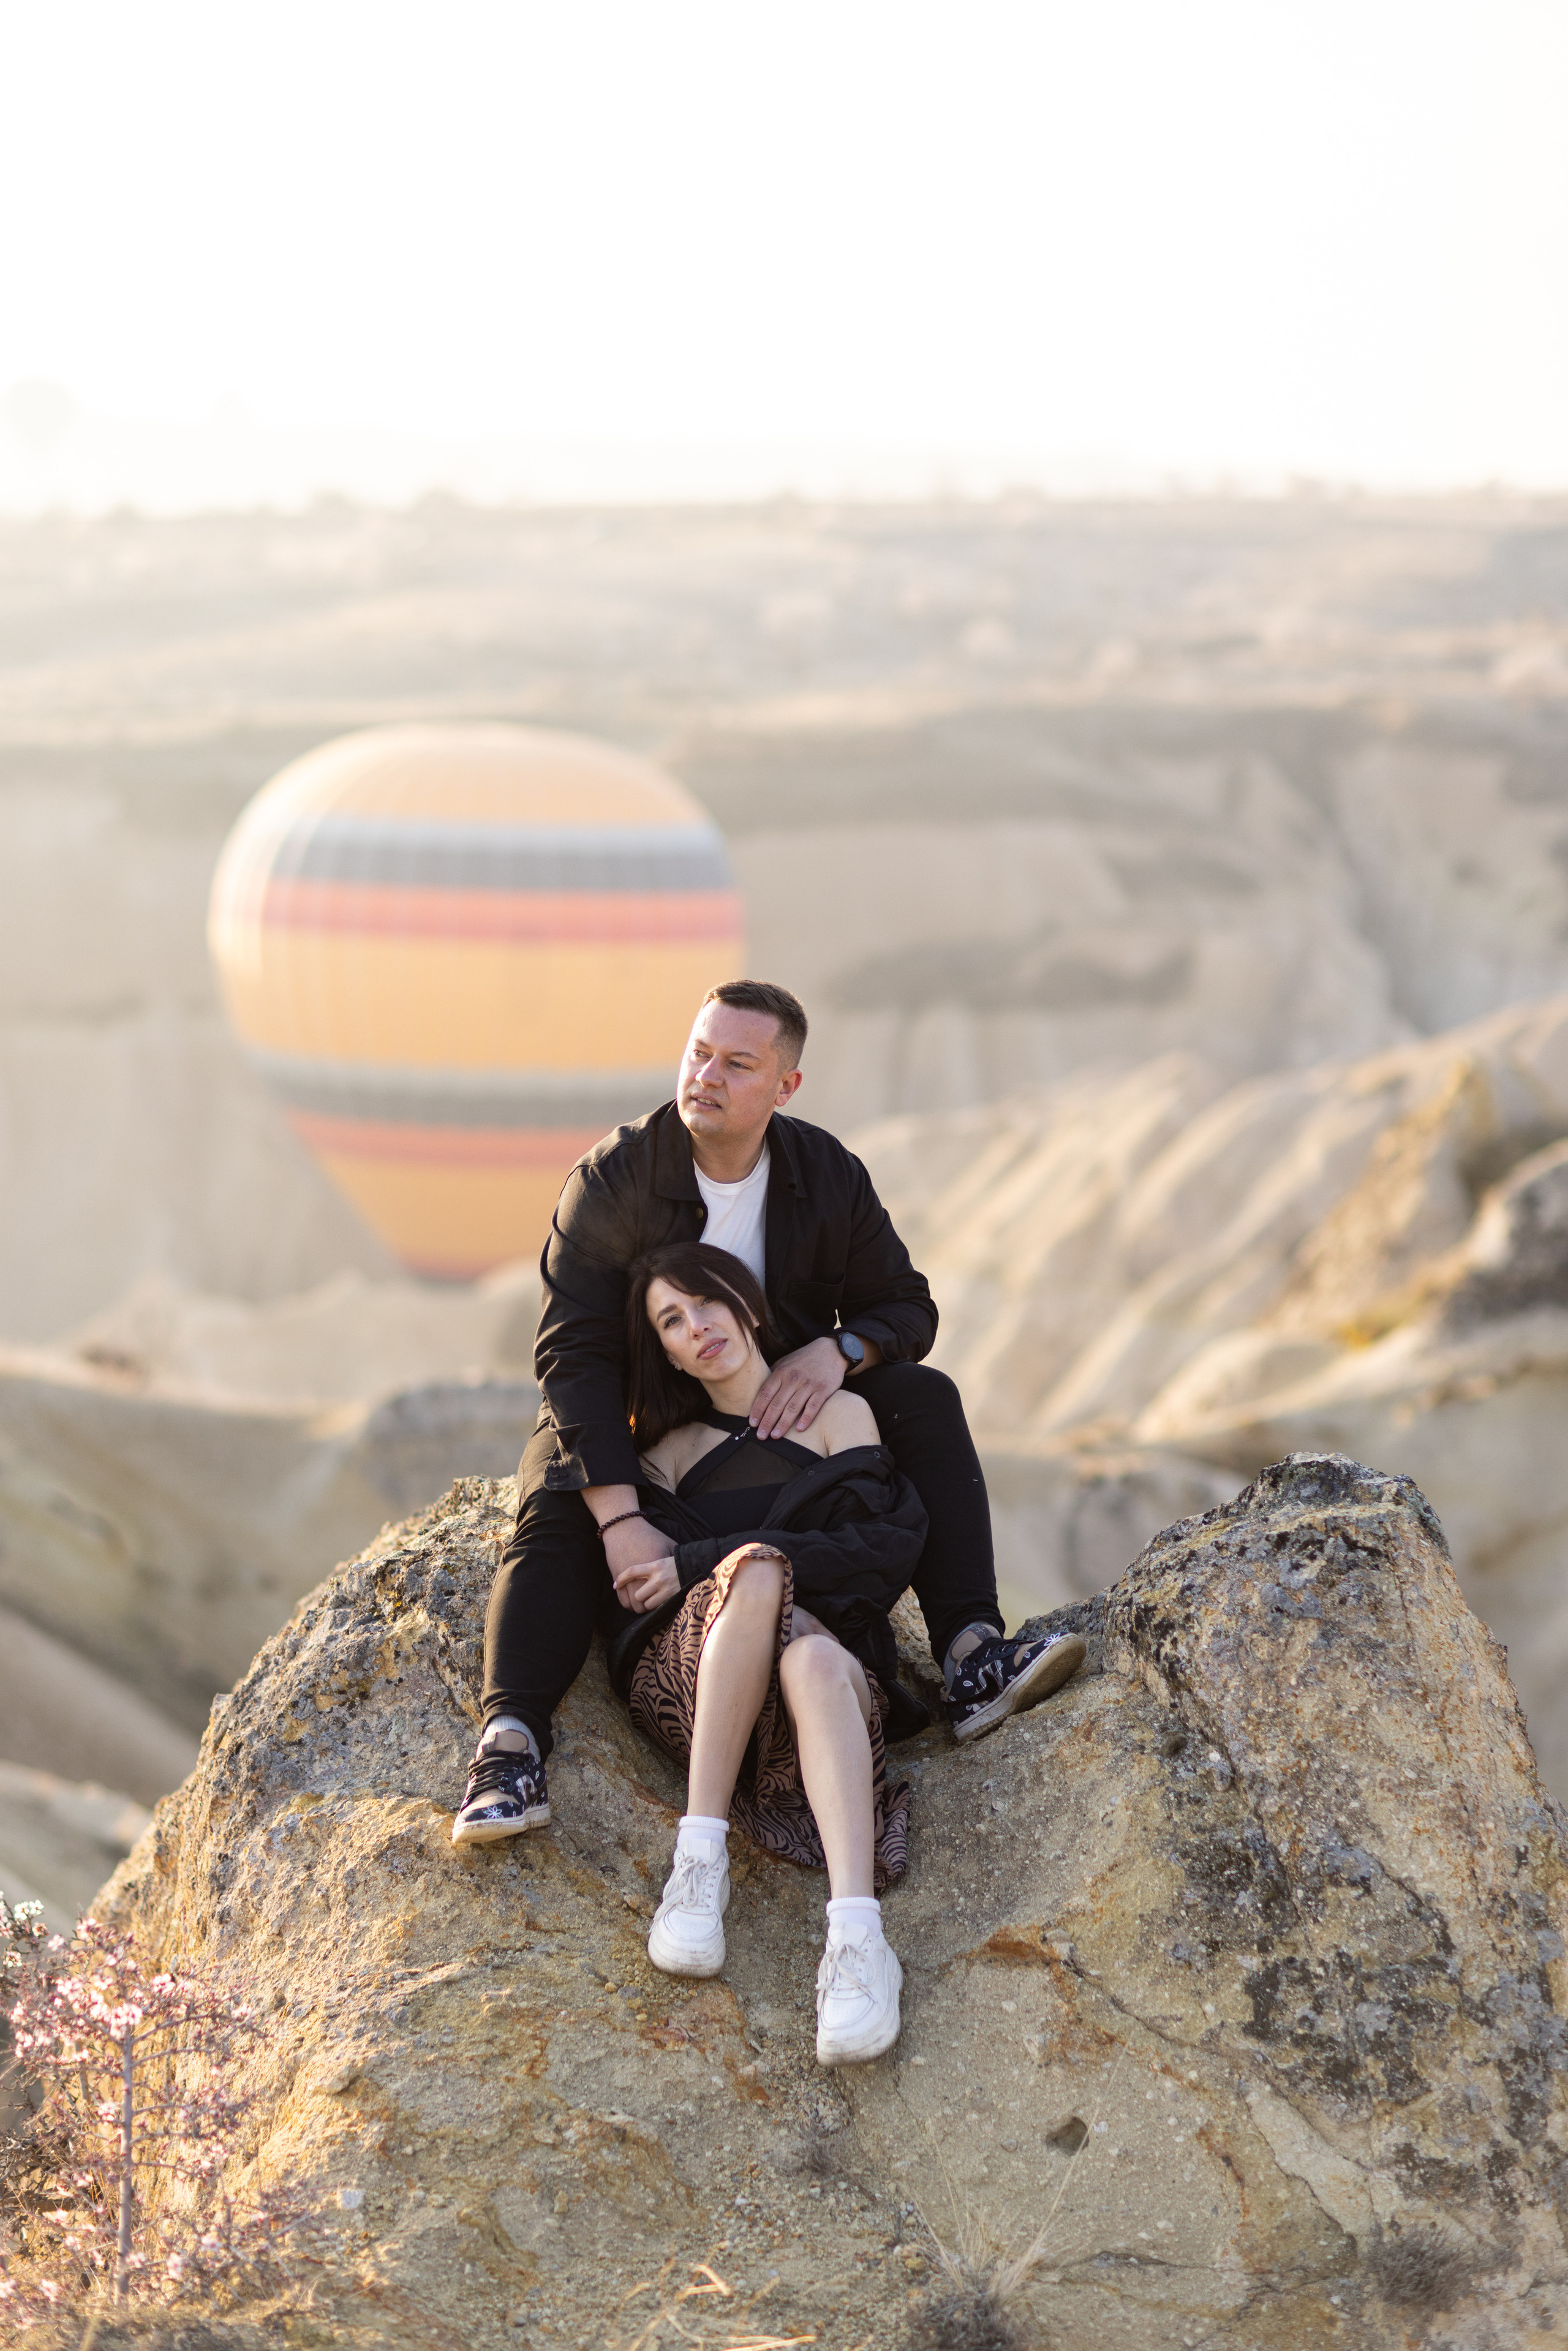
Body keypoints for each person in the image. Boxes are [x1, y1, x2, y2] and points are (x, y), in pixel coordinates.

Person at [454, 978, 1084, 1847]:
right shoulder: (614, 1177)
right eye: (697, 1052)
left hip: (770, 1400)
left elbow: (907, 1307)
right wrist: (622, 1518)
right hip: (642, 1416)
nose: (705, 1075)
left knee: (923, 1400)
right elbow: (572, 1355)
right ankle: (511, 1746)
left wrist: (838, 1351)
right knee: (558, 1487)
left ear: (784, 1086)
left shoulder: (824, 1175)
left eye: (737, 1063)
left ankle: (973, 1656)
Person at [608, 1240, 923, 2064]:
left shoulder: (838, 1416)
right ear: (666, 1350)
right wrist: (745, 1572)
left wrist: (721, 1565)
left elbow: (881, 1549)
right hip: (715, 1701)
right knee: (753, 1575)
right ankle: (698, 1860)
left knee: (812, 1655)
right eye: (671, 1320)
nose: (696, 1325)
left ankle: (857, 1943)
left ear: (745, 1302)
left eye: (705, 1300)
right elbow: (663, 1603)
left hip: (823, 1693)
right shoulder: (666, 1459)